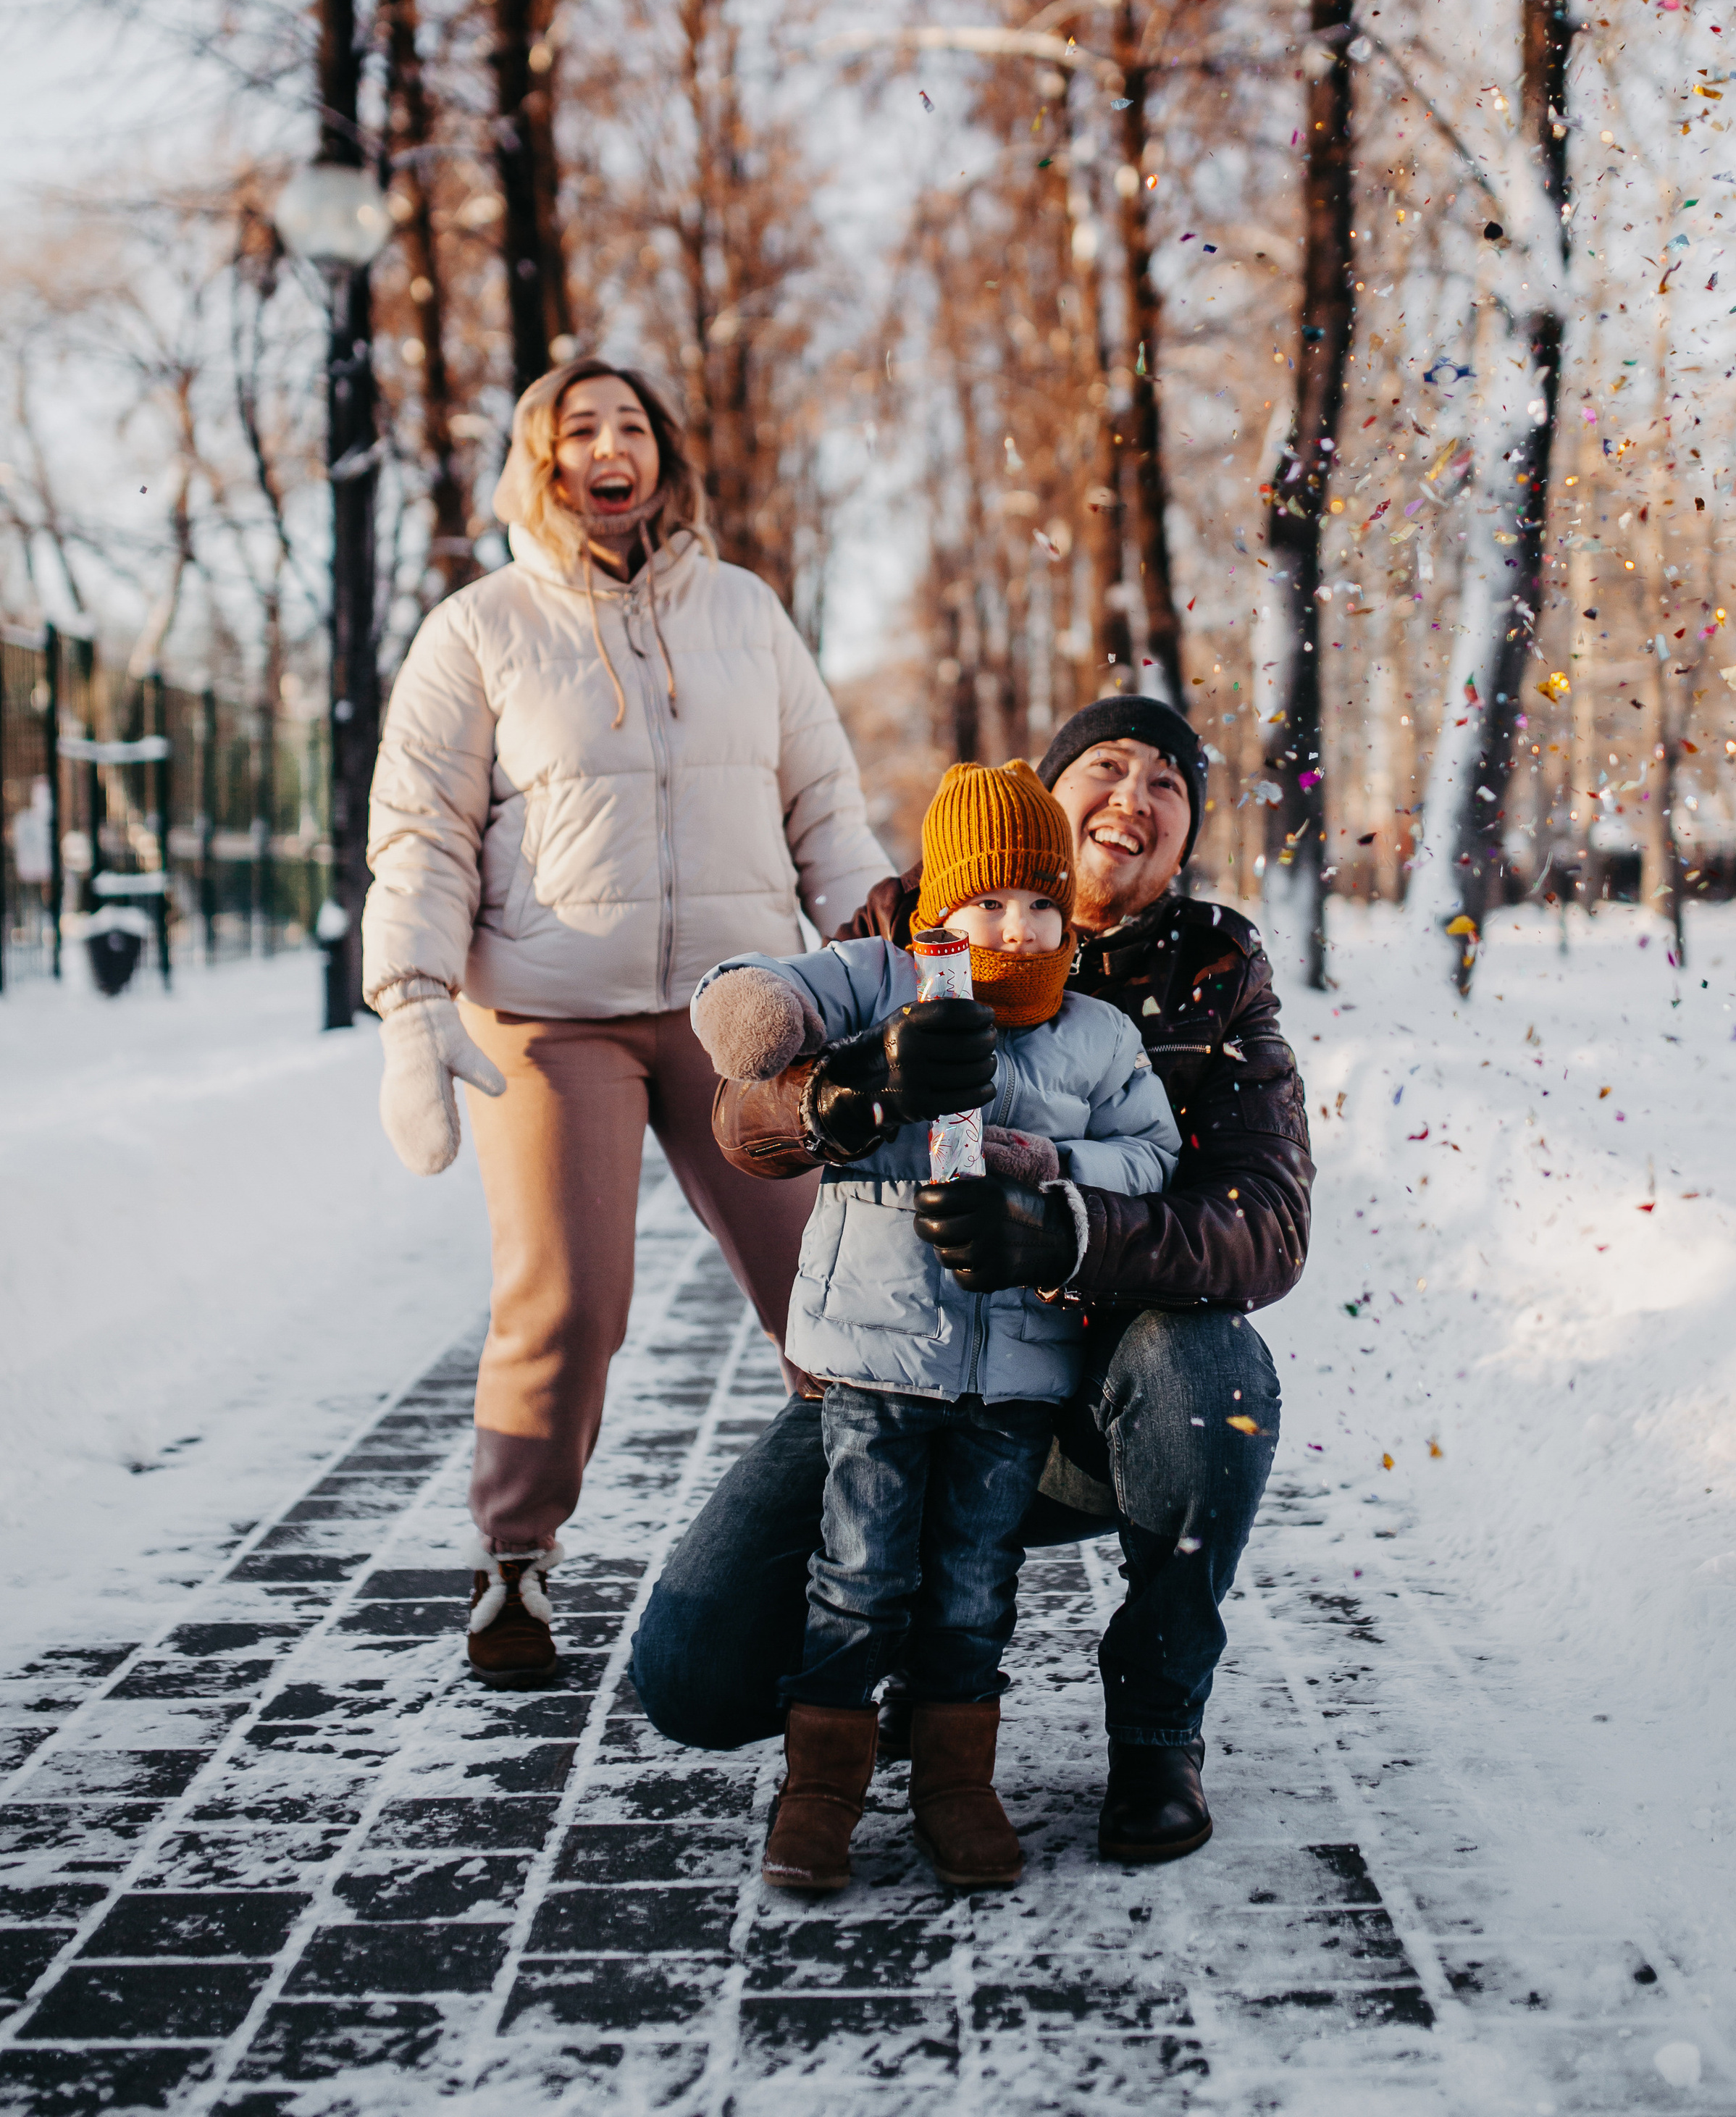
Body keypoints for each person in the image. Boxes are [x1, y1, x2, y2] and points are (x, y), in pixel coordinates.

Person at [630, 694, 1314, 1864]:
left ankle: (1156, 1729)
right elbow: (745, 1108)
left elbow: (1263, 1224)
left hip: (1091, 1388)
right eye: (1107, 765)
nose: (1134, 798)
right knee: (693, 1678)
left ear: (1186, 833)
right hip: (899, 1363)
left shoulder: (1214, 970)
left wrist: (1065, 1229)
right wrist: (836, 1100)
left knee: (1211, 1370)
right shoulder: (911, 928)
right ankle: (868, 1681)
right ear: (1045, 793)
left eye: (1168, 782)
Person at [360, 358, 892, 1688]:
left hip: (742, 1006)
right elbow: (421, 831)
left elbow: (820, 797)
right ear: (538, 460)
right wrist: (412, 997)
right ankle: (515, 1567)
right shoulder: (477, 628)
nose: (611, 446)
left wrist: (876, 927)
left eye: (633, 425)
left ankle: (872, 1542)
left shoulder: (744, 612)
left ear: (663, 456)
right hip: (550, 1014)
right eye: (579, 427)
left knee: (826, 1283)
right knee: (571, 1300)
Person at [689, 759, 1178, 1895]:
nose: (1017, 927)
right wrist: (839, 1067)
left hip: (1015, 1378)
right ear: (938, 905)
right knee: (856, 1574)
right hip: (875, 1362)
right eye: (988, 902)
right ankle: (821, 1790)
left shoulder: (1094, 1034)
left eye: (1041, 904)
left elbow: (1153, 1157)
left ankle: (958, 1783)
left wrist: (1057, 1168)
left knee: (971, 1586)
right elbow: (755, 994)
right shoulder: (885, 979)